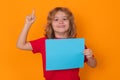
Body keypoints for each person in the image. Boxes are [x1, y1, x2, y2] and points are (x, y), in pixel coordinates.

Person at [16, 7, 97, 80]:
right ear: (51, 24)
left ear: (70, 23)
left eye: (65, 19)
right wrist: (27, 24)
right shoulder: (44, 42)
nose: (61, 22)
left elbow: (93, 65)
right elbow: (20, 45)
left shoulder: (76, 44)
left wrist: (90, 57)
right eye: (56, 19)